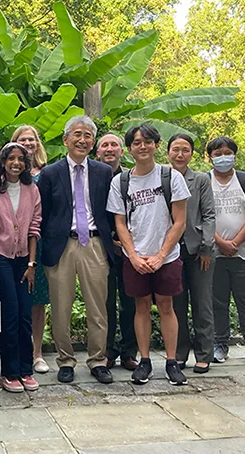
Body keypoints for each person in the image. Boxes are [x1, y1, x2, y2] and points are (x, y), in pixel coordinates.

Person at [106, 124, 191, 386]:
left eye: (147, 142)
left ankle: (171, 362)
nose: (142, 146)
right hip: (135, 257)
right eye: (136, 142)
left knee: (167, 306)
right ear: (129, 148)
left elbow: (179, 221)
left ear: (156, 144)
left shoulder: (171, 177)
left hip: (166, 256)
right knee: (140, 306)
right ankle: (144, 361)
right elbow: (120, 223)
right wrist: (132, 255)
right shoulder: (120, 182)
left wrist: (161, 254)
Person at [37, 115, 115, 385]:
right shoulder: (49, 173)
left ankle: (97, 360)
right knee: (61, 307)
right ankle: (66, 360)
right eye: (77, 134)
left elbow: (111, 209)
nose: (82, 140)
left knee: (98, 308)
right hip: (62, 246)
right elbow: (43, 213)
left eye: (88, 136)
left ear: (93, 143)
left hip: (94, 243)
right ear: (65, 139)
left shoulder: (104, 172)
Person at [0, 143, 42, 393]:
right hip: (0, 258)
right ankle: (9, 372)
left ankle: (25, 370)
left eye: (21, 159)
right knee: (10, 314)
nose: (16, 163)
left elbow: (34, 228)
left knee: (25, 316)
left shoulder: (32, 190)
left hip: (24, 260)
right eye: (11, 159)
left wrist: (31, 264)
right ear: (3, 161)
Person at [207, 137, 245, 365]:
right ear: (209, 157)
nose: (223, 157)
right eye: (218, 153)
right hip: (214, 252)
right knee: (217, 301)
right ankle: (220, 344)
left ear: (235, 154)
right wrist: (221, 242)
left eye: (228, 152)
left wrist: (236, 242)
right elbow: (201, 217)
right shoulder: (204, 181)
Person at [167, 134, 216, 374]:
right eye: (175, 149)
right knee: (176, 304)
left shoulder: (201, 179)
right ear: (167, 152)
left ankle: (204, 353)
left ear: (191, 154)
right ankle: (178, 354)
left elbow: (209, 214)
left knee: (201, 302)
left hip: (198, 250)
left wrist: (207, 246)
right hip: (171, 251)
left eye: (185, 150)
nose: (180, 154)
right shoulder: (162, 178)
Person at [96, 133, 138, 371]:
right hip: (102, 248)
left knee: (130, 301)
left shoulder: (131, 178)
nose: (110, 149)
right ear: (97, 151)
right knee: (105, 303)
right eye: (105, 145)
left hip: (130, 248)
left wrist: (127, 242)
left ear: (122, 151)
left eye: (114, 145)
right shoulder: (92, 178)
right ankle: (108, 350)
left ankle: (129, 351)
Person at [11, 125, 51, 374]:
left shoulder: (47, 173)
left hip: (41, 242)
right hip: (11, 244)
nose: (28, 143)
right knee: (14, 300)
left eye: (32, 139)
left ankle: (37, 353)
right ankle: (15, 350)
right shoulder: (7, 173)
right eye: (22, 139)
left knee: (38, 301)